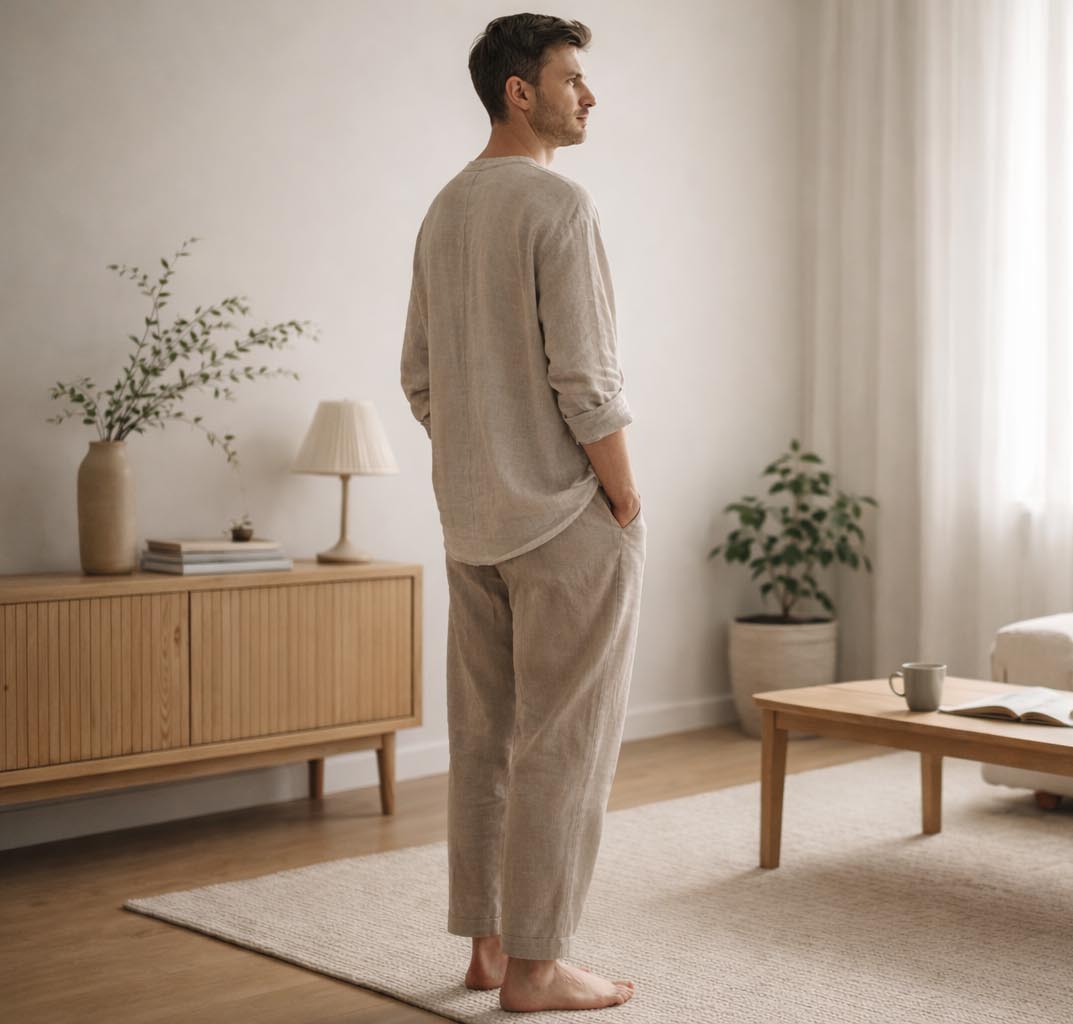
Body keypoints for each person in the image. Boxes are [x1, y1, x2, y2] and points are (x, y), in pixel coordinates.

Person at [399, 12, 643, 1013]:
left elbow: (420, 381)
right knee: (562, 744)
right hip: (562, 522)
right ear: (521, 91)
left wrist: (478, 464)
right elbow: (586, 381)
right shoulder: (557, 205)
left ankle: (489, 949)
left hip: (473, 522)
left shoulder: (444, 210)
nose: (590, 96)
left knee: (488, 737)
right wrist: (621, 496)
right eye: (574, 79)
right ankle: (539, 971)